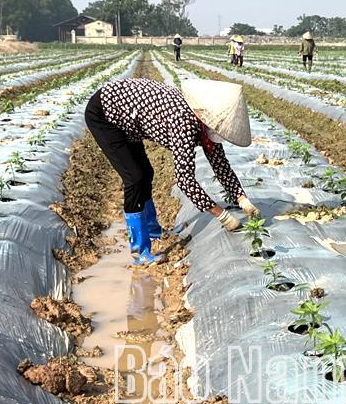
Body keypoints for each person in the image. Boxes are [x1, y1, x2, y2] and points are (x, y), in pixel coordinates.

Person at [84, 77, 260, 264]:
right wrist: (222, 215)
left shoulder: (206, 121)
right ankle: (140, 253)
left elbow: (220, 165)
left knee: (146, 173)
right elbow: (184, 179)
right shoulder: (184, 121)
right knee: (134, 178)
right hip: (105, 114)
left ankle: (153, 230)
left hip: (128, 116)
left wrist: (243, 200)